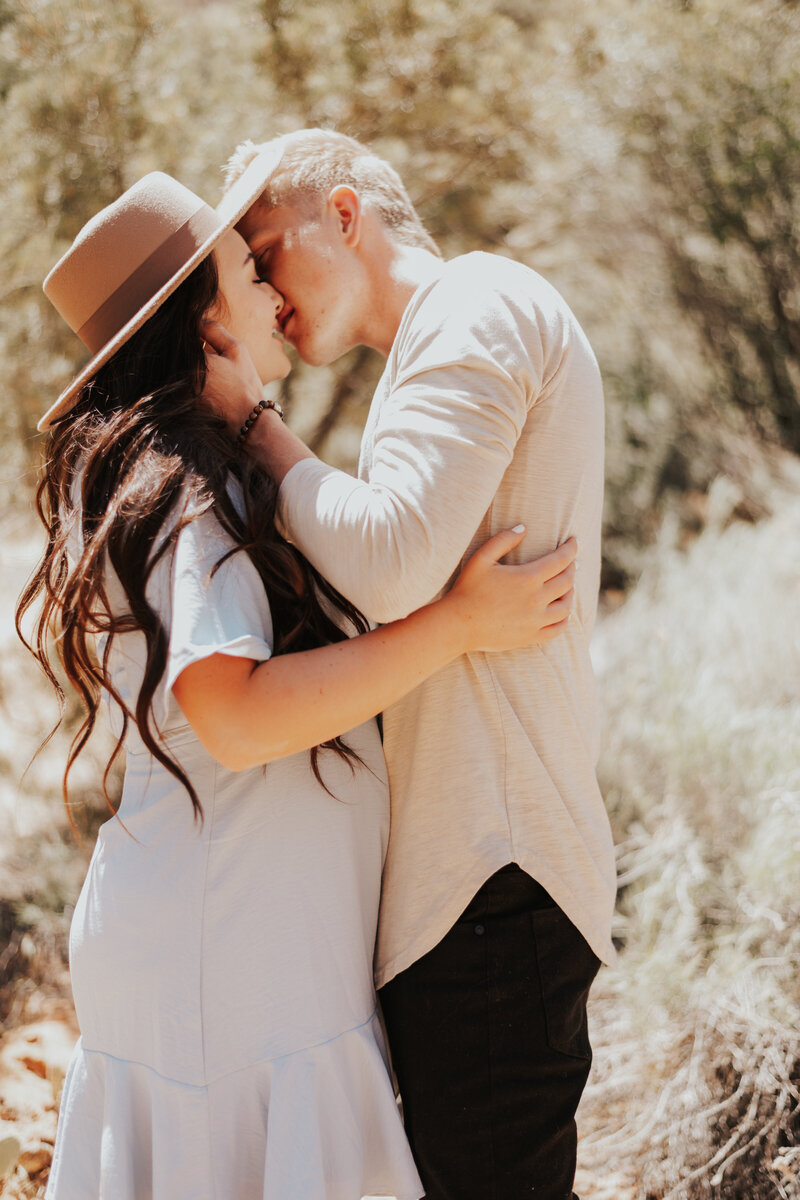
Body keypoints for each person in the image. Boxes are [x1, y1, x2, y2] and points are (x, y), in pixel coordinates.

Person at [18, 163, 578, 1200]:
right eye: (246, 266)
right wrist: (455, 626)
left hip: (261, 958)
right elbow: (230, 714)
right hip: (225, 965)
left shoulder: (217, 469)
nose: (273, 287)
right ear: (201, 321)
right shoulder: (186, 490)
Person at [201, 128, 619, 1200]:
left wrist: (254, 426)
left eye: (263, 250)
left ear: (344, 215)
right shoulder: (430, 351)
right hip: (471, 889)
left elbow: (386, 565)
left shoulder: (474, 305)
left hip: (495, 876)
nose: (261, 287)